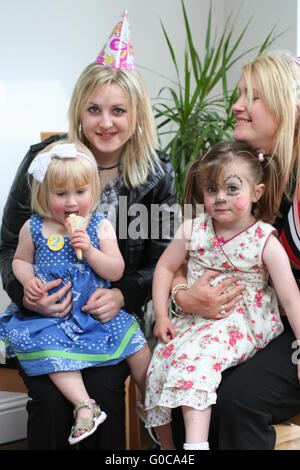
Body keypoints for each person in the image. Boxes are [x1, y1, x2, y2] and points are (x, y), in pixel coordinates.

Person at [0, 12, 177, 449]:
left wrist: (123, 295)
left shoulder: (155, 176)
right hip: (47, 318)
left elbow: (163, 260)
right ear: (79, 110)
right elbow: (9, 246)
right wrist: (29, 294)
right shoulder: (45, 163)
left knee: (103, 385)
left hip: (108, 316)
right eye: (94, 109)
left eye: (118, 110)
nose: (105, 122)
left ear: (135, 115)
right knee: (49, 393)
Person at [171, 51, 300, 450]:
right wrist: (184, 297)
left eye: (253, 96)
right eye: (239, 94)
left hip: (288, 331)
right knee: (187, 381)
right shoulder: (232, 170)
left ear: (288, 107)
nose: (237, 105)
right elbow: (184, 255)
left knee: (236, 398)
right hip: (254, 324)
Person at [145, 141, 300, 450]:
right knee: (159, 363)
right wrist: (162, 315)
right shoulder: (193, 230)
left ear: (256, 192)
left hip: (241, 321)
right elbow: (164, 268)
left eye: (232, 189)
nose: (220, 199)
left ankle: (196, 446)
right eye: (212, 190)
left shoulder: (265, 241)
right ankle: (168, 448)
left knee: (198, 364)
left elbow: (291, 298)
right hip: (195, 320)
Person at [0, 140, 152, 445]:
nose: (72, 202)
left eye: (80, 192)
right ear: (44, 195)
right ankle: (85, 406)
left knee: (135, 343)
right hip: (53, 318)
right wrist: (28, 281)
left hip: (93, 315)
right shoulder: (34, 228)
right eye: (61, 194)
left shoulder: (99, 226)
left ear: (92, 192)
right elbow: (18, 260)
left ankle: (155, 402)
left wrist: (92, 253)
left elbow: (115, 270)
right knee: (51, 352)